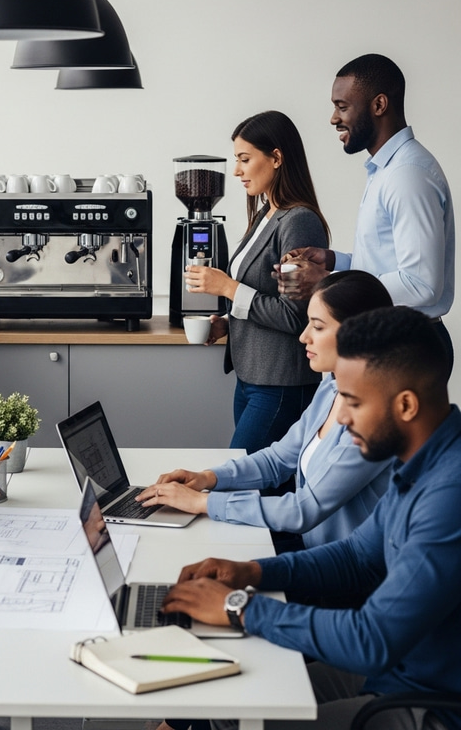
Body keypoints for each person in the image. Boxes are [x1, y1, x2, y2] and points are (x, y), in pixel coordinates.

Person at [159, 306, 461, 730]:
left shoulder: (449, 493)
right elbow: (356, 557)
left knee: (233, 716)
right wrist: (250, 572)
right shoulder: (420, 460)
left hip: (425, 706)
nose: (341, 417)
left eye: (353, 402)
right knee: (221, 701)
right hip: (392, 674)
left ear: (406, 405)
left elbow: (373, 639)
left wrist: (237, 606)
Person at [137, 270, 394, 554]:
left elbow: (303, 509)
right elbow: (277, 460)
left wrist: (202, 503)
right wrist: (206, 478)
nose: (303, 337)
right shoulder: (330, 390)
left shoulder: (375, 418)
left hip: (342, 571)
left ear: (357, 334)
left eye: (317, 327)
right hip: (310, 549)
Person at [278, 53, 455, 366]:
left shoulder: (407, 174)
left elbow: (421, 284)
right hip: (391, 339)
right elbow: (390, 262)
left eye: (342, 106)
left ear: (379, 105)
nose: (334, 118)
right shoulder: (388, 170)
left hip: (405, 345)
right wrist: (336, 261)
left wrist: (326, 281)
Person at [185, 110, 330, 455]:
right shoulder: (267, 215)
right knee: (258, 486)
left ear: (276, 158)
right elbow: (261, 300)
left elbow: (295, 316)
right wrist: (228, 324)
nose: (236, 171)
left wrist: (227, 289)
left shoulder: (299, 222)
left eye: (244, 159)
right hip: (251, 380)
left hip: (281, 384)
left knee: (241, 479)